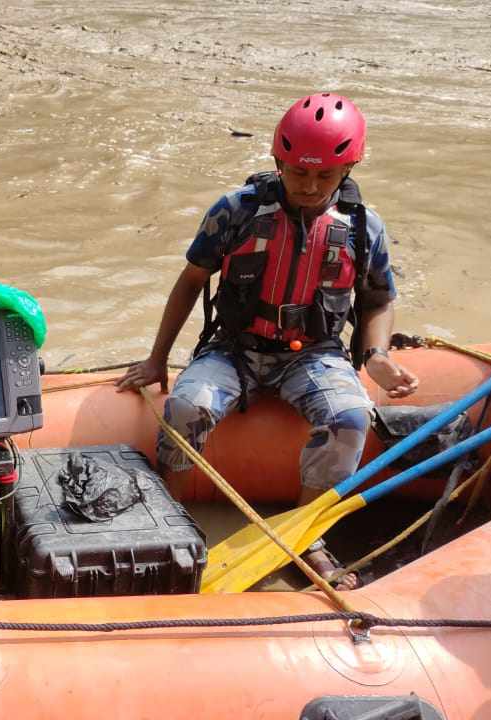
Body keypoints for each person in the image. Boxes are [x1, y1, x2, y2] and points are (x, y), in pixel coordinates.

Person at [116, 93, 419, 589]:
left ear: (348, 169)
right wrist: (156, 360)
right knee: (188, 405)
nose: (310, 186)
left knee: (350, 416)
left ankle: (303, 536)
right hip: (234, 348)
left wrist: (377, 357)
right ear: (278, 161)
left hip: (314, 355)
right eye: (299, 172)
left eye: (325, 176)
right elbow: (191, 280)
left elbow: (379, 300)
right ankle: (166, 515)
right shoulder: (236, 211)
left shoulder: (363, 227)